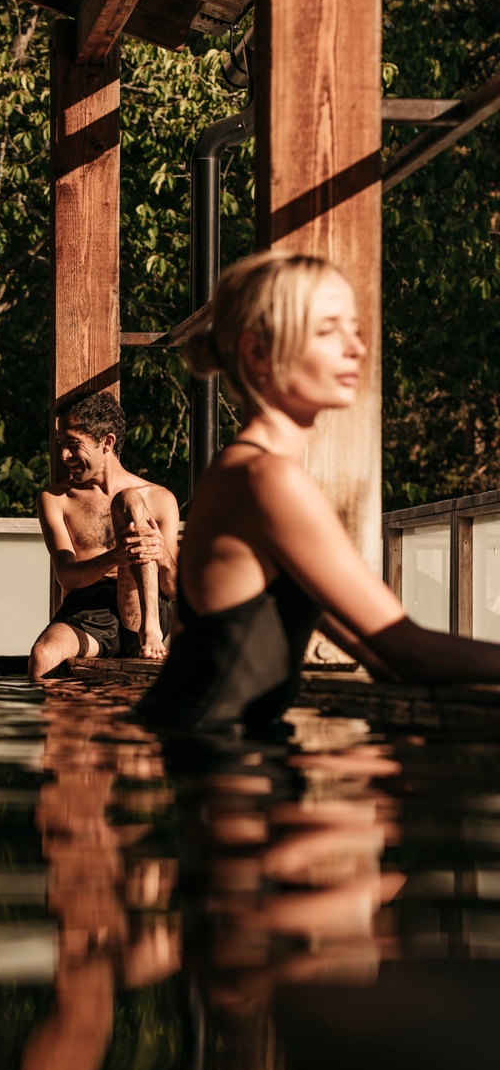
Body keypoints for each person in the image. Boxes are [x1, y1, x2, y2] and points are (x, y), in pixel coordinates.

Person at [132, 249, 500, 733]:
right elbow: (408, 652)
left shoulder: (241, 468)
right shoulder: (266, 478)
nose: (356, 348)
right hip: (222, 772)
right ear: (258, 352)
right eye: (327, 330)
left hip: (203, 761)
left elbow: (374, 648)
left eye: (354, 327)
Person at [29, 391, 179, 680]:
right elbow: (67, 577)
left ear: (107, 442)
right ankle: (62, 724)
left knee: (129, 501)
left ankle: (150, 633)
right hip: (87, 607)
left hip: (144, 608)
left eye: (73, 445)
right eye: (62, 445)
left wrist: (161, 556)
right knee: (42, 656)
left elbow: (172, 589)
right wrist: (116, 556)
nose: (64, 456)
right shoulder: (56, 498)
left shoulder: (160, 498)